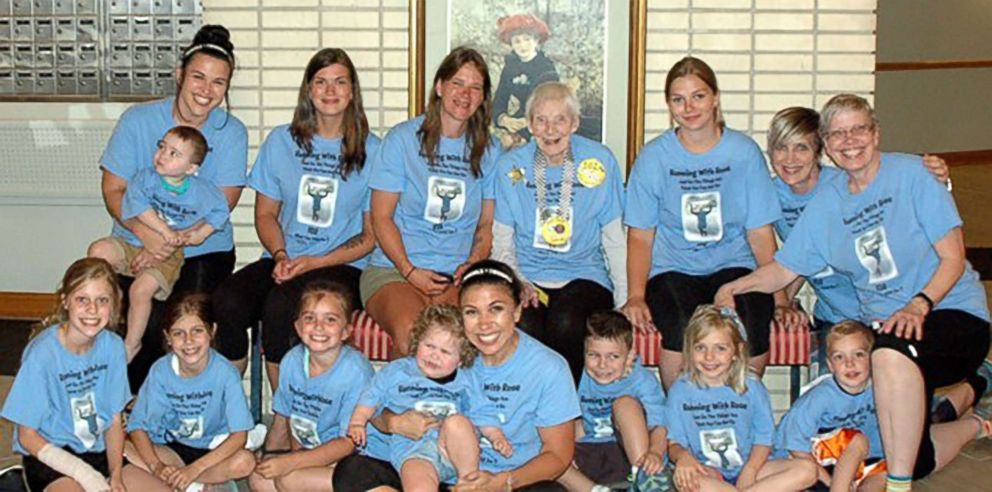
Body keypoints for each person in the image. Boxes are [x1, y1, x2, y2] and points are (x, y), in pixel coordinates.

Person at [715, 94, 991, 489]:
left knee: (888, 357)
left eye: (859, 129)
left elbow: (953, 256)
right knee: (914, 453)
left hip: (948, 313)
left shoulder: (914, 175)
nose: (850, 141)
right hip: (886, 329)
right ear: (827, 145)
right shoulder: (827, 205)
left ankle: (898, 486)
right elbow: (784, 268)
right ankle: (975, 420)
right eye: (838, 134)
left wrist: (919, 304)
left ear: (876, 133)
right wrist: (734, 287)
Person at [212, 47, 378, 392]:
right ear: (308, 90)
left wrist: (314, 262)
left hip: (343, 265)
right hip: (285, 259)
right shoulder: (280, 142)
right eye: (321, 82)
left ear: (352, 91)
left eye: (340, 82)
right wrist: (283, 256)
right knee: (226, 300)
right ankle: (228, 403)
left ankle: (283, 415)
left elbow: (370, 236)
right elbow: (265, 214)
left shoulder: (373, 150)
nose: (330, 91)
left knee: (281, 307)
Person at [333, 260, 579, 491]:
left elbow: (558, 456)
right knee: (352, 471)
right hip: (436, 469)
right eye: (471, 312)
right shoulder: (443, 352)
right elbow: (380, 402)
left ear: (516, 311)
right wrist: (394, 423)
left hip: (505, 479)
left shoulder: (548, 367)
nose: (484, 324)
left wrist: (500, 483)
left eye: (496, 309)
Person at [99, 24, 247, 387]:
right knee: (107, 301)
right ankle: (117, 400)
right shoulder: (138, 120)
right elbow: (113, 189)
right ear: (180, 74)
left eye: (218, 83)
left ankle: (170, 404)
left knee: (174, 318)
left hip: (202, 248)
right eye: (198, 77)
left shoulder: (232, 132)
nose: (206, 91)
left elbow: (224, 202)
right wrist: (147, 235)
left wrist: (168, 243)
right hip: (135, 238)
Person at [764, 107, 949, 376]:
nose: (790, 159)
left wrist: (938, 176)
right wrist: (782, 303)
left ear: (820, 151)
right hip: (833, 315)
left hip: (883, 312)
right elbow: (797, 259)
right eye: (781, 148)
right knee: (840, 396)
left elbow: (897, 186)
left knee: (891, 396)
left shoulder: (844, 184)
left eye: (802, 148)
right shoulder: (771, 193)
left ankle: (970, 388)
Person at [363, 47, 499, 356]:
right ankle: (402, 406)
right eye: (457, 83)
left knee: (457, 339)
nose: (465, 94)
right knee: (414, 335)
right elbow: (380, 217)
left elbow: (486, 223)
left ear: (483, 97)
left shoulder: (490, 150)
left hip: (455, 275)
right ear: (439, 86)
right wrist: (410, 270)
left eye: (475, 87)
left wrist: (472, 264)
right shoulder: (401, 139)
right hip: (394, 270)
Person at [492, 81, 625, 383]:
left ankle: (566, 415)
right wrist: (516, 280)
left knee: (566, 322)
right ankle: (529, 416)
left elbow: (614, 238)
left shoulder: (599, 161)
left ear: (575, 123)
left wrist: (625, 300)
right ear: (530, 125)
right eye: (541, 120)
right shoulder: (510, 166)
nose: (550, 129)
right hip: (527, 276)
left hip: (584, 276)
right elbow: (502, 239)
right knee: (524, 326)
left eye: (560, 119)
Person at [89, 126, 229, 362]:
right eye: (162, 146)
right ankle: (98, 319)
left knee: (140, 290)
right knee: (98, 252)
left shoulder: (203, 192)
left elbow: (220, 211)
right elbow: (139, 208)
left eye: (174, 153)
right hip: (130, 240)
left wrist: (200, 234)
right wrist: (164, 231)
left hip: (169, 255)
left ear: (192, 168)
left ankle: (132, 343)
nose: (163, 155)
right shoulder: (145, 179)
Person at [347, 304, 512, 490]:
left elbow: (482, 412)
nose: (434, 355)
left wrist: (496, 436)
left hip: (453, 449)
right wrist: (357, 423)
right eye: (429, 346)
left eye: (445, 352)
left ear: (460, 360)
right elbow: (370, 398)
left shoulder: (466, 378)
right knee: (417, 480)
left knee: (457, 423)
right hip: (413, 448)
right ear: (418, 342)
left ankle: (468, 482)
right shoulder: (397, 371)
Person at [1, 258, 129, 492]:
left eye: (102, 300)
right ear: (65, 301)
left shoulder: (113, 346)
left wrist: (117, 475)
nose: (92, 309)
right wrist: (88, 477)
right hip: (52, 454)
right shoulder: (43, 354)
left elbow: (113, 420)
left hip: (98, 449)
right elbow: (27, 435)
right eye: (82, 299)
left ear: (114, 304)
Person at [666, 305, 817, 492]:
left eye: (720, 348)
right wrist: (683, 458)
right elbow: (674, 443)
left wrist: (750, 470)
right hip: (708, 472)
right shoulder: (680, 390)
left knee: (807, 470)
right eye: (700, 348)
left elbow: (764, 438)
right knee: (685, 481)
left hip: (754, 466)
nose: (709, 357)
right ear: (689, 349)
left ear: (736, 351)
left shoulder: (752, 386)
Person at [248, 281, 374, 491]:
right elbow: (292, 421)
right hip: (312, 452)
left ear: (346, 331)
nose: (318, 326)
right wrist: (288, 455)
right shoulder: (291, 361)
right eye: (309, 318)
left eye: (330, 319)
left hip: (354, 460)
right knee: (259, 480)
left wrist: (292, 462)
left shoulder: (356, 372)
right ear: (298, 327)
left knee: (289, 479)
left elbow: (349, 443)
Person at [122, 293, 255, 491]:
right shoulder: (160, 371)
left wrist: (194, 470)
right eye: (178, 333)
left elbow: (239, 436)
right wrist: (156, 466)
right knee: (118, 447)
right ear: (168, 337)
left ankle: (190, 481)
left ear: (212, 331)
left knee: (245, 462)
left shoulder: (226, 373)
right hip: (171, 449)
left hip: (212, 453)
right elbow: (137, 426)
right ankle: (191, 483)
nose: (188, 341)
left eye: (197, 331)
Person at [558, 310, 670, 492]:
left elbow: (661, 426)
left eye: (613, 357)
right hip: (594, 451)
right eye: (593, 355)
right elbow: (577, 421)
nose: (602, 365)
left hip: (630, 451)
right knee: (551, 455)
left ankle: (646, 480)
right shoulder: (581, 375)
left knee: (624, 404)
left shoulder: (641, 380)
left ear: (630, 354)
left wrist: (655, 453)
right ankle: (597, 490)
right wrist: (565, 450)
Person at [772, 321, 886, 492]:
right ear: (831, 365)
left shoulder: (880, 392)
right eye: (839, 357)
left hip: (854, 462)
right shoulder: (820, 397)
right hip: (809, 460)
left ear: (872, 358)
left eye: (859, 355)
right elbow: (795, 446)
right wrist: (831, 482)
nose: (849, 363)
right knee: (856, 440)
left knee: (886, 470)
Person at [491, 13, 559, 149]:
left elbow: (548, 108)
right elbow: (499, 100)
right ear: (511, 44)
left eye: (527, 39)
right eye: (517, 41)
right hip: (521, 117)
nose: (522, 45)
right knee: (498, 145)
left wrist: (525, 126)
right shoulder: (510, 67)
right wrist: (503, 119)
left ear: (536, 41)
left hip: (546, 120)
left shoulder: (546, 68)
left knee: (516, 146)